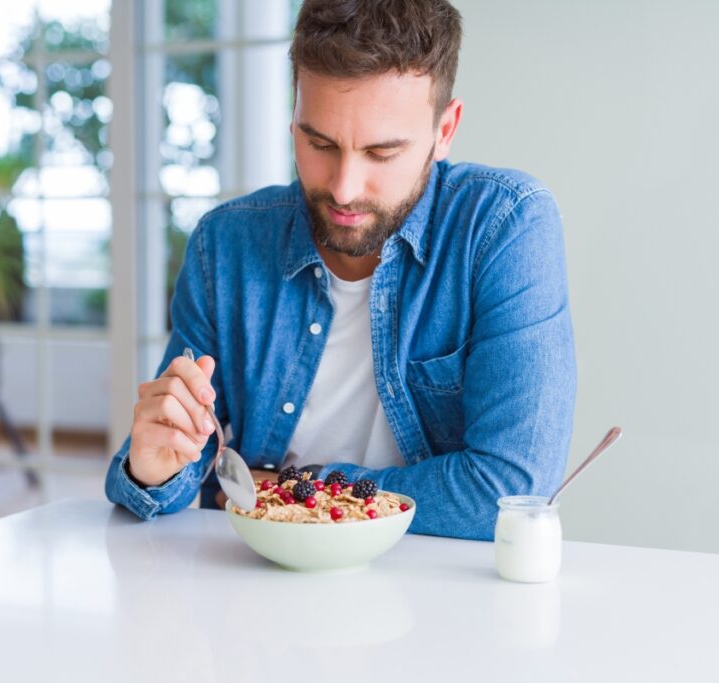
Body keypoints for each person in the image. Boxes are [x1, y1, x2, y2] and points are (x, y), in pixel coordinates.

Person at [105, 0, 576, 540]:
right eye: (319, 143)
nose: (345, 188)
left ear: (445, 129)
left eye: (382, 153)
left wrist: (293, 489)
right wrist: (153, 466)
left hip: (441, 598)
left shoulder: (504, 227)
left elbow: (512, 492)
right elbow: (174, 471)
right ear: (294, 115)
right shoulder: (225, 244)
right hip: (257, 585)